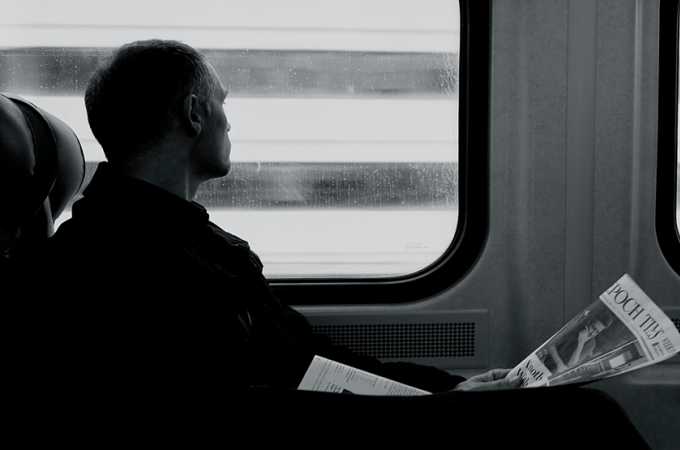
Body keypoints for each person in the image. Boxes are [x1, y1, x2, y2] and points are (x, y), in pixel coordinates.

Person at [33, 40, 518, 415]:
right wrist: (443, 408)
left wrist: (449, 387)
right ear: (194, 113)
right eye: (222, 103)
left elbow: (302, 357)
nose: (229, 123)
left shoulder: (186, 238)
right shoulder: (109, 260)